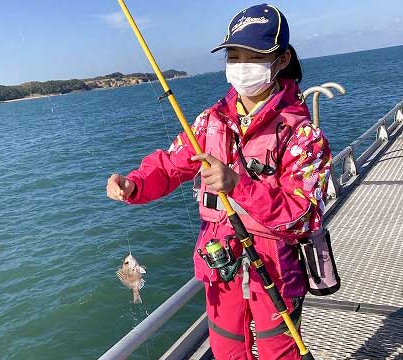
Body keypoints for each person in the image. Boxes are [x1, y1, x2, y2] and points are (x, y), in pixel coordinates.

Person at [107, 3, 331, 359]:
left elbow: (304, 213)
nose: (241, 66)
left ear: (282, 59)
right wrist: (134, 184)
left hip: (274, 267)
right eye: (233, 55)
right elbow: (169, 165)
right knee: (226, 351)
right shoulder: (208, 121)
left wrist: (238, 184)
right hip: (219, 264)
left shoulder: (303, 135)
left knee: (280, 353)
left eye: (252, 56)